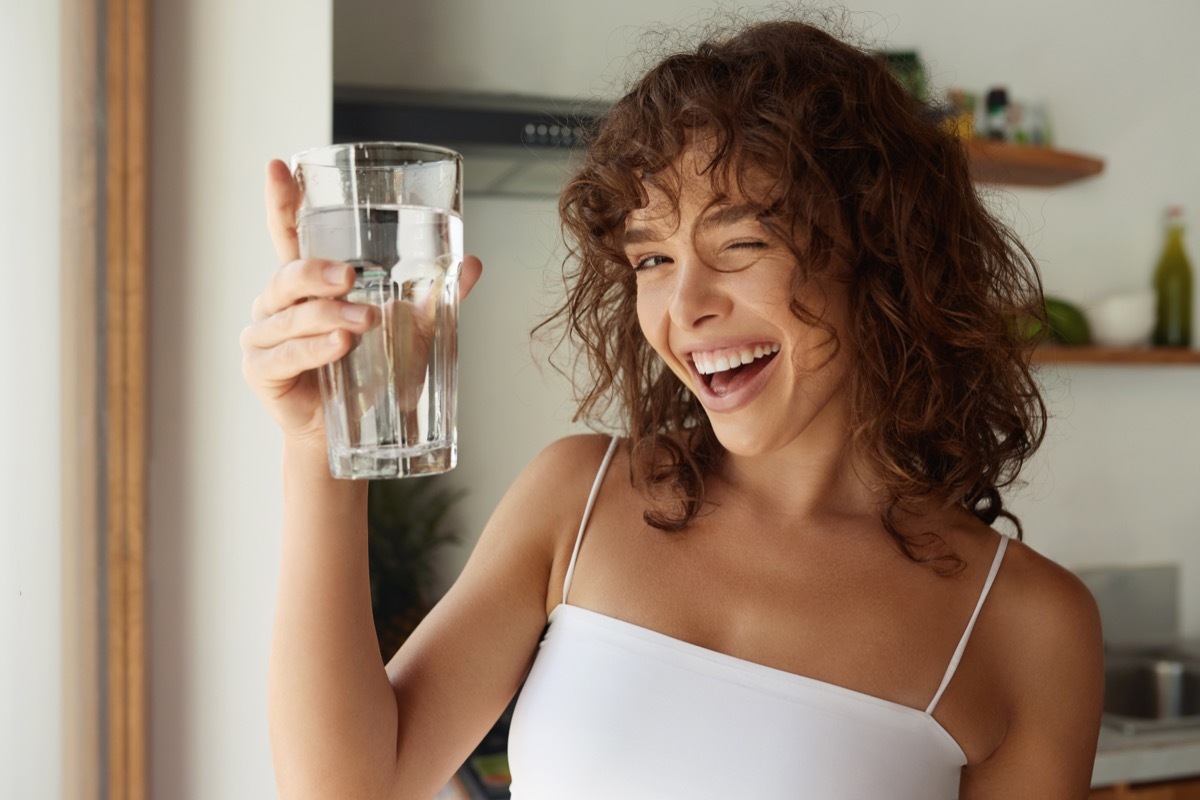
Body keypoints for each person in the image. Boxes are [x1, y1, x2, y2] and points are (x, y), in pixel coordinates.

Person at [241, 15, 1103, 800]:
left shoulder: (1029, 626)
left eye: (741, 244)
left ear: (885, 261)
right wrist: (323, 450)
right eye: (652, 259)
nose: (684, 308)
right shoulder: (578, 497)